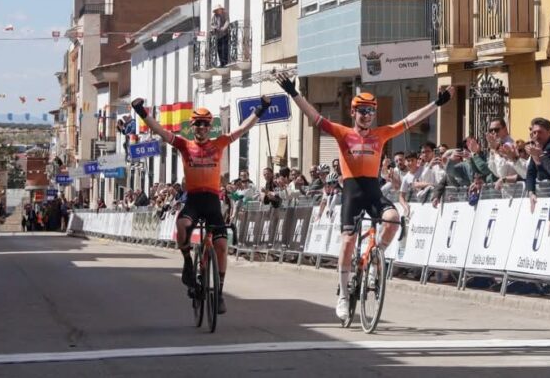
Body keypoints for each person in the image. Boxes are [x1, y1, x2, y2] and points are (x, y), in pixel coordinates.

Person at [276, 72, 452, 322]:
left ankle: (374, 260)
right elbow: (314, 116)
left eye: (371, 111)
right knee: (348, 241)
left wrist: (436, 103)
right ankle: (343, 295)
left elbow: (410, 120)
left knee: (392, 219)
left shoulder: (381, 134)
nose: (367, 115)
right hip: (351, 191)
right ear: (353, 112)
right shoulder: (342, 133)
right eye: (362, 111)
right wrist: (293, 93)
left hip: (372, 190)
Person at [131, 95, 268, 315]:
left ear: (210, 127)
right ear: (192, 126)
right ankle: (187, 261)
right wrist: (142, 112)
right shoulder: (184, 145)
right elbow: (160, 131)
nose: (201, 128)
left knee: (222, 246)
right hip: (193, 199)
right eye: (198, 124)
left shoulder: (219, 143)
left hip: (213, 201)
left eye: (205, 124)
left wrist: (261, 109)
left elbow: (243, 128)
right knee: (182, 225)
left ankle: (220, 293)